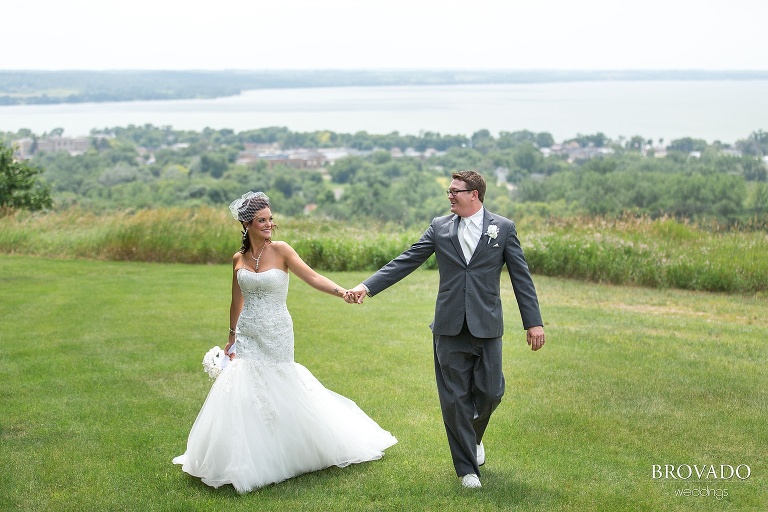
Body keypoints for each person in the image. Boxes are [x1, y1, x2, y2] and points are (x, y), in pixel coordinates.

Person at [173, 191, 397, 493]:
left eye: (270, 219)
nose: (268, 224)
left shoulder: (281, 250)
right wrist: (231, 335)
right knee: (246, 387)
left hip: (277, 330)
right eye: (261, 220)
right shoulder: (238, 259)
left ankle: (297, 448)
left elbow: (313, 277)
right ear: (246, 223)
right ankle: (247, 456)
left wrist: (342, 291)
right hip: (249, 332)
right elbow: (236, 299)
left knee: (280, 381)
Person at [348, 170, 545, 489]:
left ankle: (473, 438)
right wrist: (366, 287)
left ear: (475, 195)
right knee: (455, 399)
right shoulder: (439, 227)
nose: (450, 195)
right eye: (449, 191)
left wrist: (533, 322)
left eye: (456, 191)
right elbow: (407, 260)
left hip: (487, 323)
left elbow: (521, 277)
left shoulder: (503, 228)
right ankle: (467, 470)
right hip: (449, 326)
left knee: (491, 392)